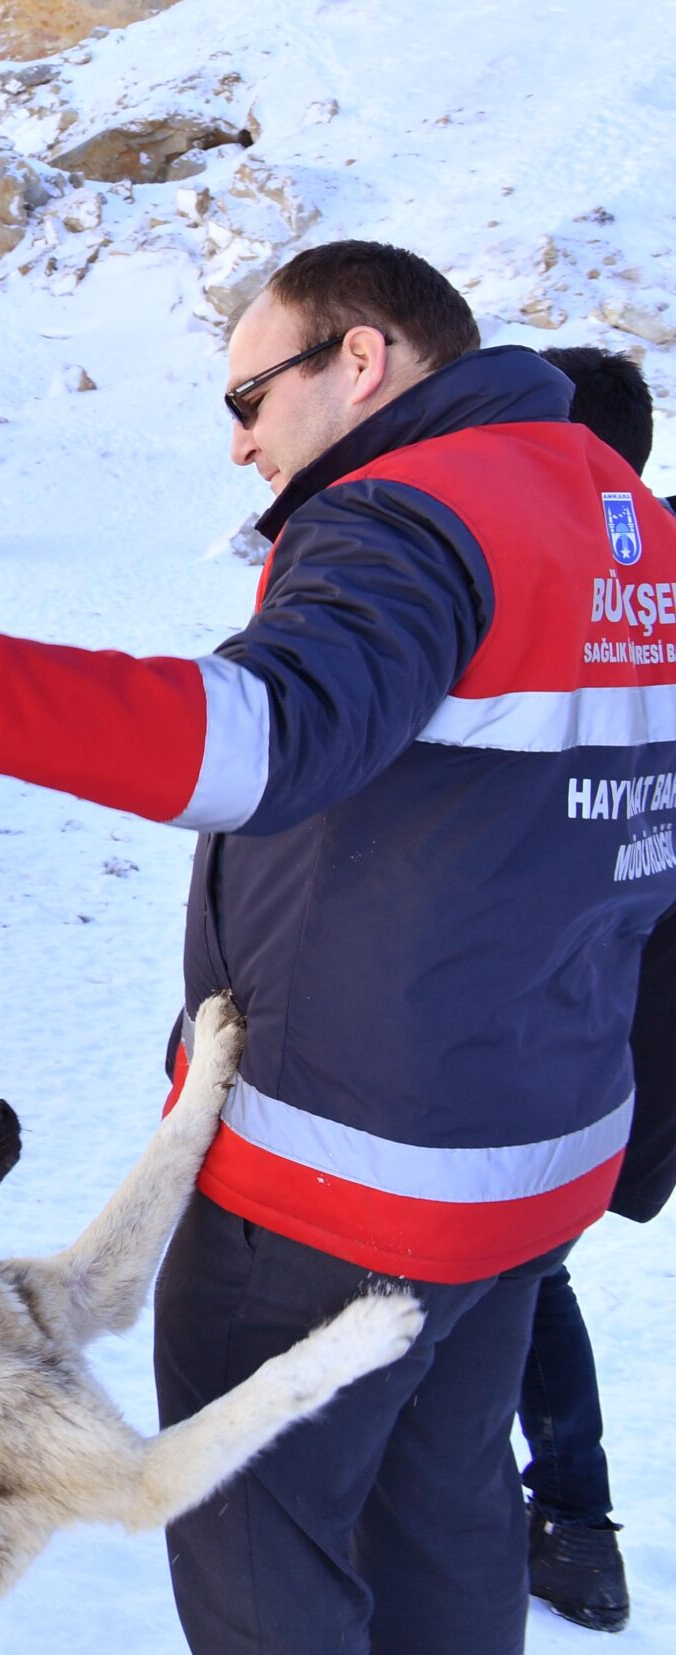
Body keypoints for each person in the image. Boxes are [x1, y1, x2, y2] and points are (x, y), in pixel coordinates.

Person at [0, 240, 676, 1654]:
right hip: (537, 1156)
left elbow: (268, 733)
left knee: (261, 1541)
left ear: (363, 361)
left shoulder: (410, 514)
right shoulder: (626, 522)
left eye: (250, 396)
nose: (238, 443)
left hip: (345, 1176)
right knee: (448, 1510)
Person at [513, 343, 676, 1634]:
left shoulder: (577, 581)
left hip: (591, 990)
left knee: (513, 1256)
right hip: (621, 991)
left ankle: (567, 1518)